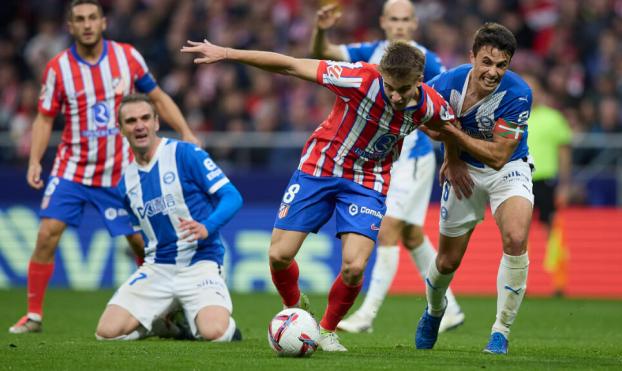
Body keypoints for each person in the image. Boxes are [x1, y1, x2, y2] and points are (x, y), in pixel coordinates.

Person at [181, 38, 456, 351]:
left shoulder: (430, 104)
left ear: (419, 81)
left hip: (368, 181)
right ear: (381, 73)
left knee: (354, 268)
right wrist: (228, 53)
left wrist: (453, 159)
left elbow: (450, 128)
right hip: (319, 169)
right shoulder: (360, 79)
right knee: (279, 256)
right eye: (389, 86)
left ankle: (325, 330)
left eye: (403, 89)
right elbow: (291, 64)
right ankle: (297, 310)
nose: (394, 95)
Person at [9, 0, 200, 334]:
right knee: (45, 236)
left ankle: (163, 312)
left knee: (143, 245)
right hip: (73, 170)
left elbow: (156, 97)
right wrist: (36, 160)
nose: (86, 24)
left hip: (120, 172)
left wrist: (185, 131)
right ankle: (34, 314)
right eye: (79, 19)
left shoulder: (127, 57)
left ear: (103, 22)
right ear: (70, 27)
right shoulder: (58, 68)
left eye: (92, 18)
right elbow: (44, 117)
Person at [310, 0, 464, 334]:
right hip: (379, 159)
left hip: (412, 157)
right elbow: (323, 51)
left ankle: (367, 315)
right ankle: (449, 308)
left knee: (388, 229)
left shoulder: (429, 60)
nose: (399, 25)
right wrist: (322, 27)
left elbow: (444, 109)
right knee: (410, 234)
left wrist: (448, 150)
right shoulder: (370, 51)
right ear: (383, 22)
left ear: (414, 24)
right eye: (393, 19)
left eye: (405, 20)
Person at [415, 23, 534, 355]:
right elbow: (428, 122)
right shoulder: (447, 83)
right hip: (464, 170)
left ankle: (501, 331)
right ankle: (434, 311)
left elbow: (498, 156)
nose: (493, 72)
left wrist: (451, 137)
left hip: (508, 170)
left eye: (501, 65)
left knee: (515, 237)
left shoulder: (518, 93)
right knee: (447, 261)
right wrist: (451, 157)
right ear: (472, 57)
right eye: (487, 62)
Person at [95, 94, 242, 342]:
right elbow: (140, 237)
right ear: (120, 129)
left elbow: (232, 197)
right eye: (131, 121)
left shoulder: (185, 154)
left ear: (156, 122)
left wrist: (206, 227)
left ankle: (217, 323)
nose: (139, 125)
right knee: (106, 333)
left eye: (145, 118)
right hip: (158, 267)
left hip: (200, 263)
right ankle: (166, 323)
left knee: (214, 333)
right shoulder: (126, 183)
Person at [524, 73, 572, 297]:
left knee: (552, 228)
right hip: (520, 178)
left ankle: (558, 281)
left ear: (541, 92)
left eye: (532, 88)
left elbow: (564, 153)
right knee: (518, 230)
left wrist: (564, 184)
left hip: (545, 180)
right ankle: (520, 281)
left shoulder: (554, 118)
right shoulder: (515, 117)